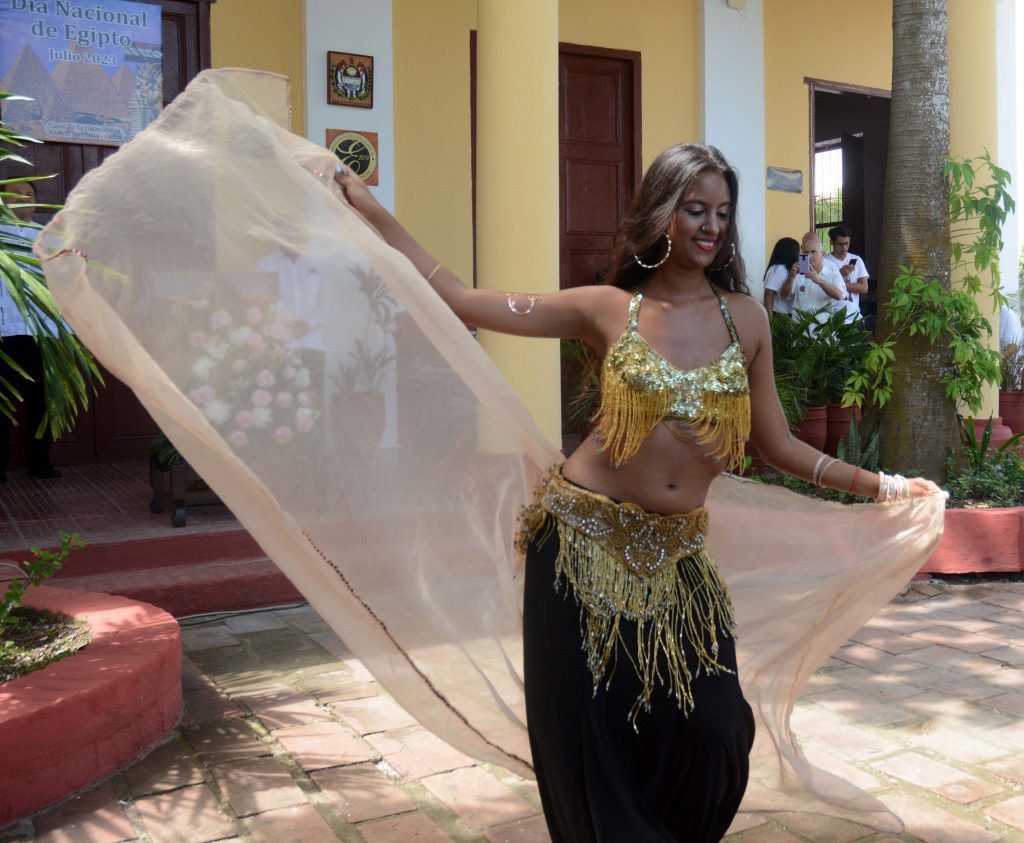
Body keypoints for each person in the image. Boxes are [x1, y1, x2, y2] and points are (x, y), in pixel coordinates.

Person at [333, 143, 940, 842]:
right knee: (595, 748)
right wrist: (374, 211)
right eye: (694, 209)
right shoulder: (606, 308)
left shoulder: (746, 318)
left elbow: (777, 445)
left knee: (716, 732)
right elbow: (465, 300)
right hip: (578, 550)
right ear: (661, 213)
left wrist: (883, 484)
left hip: (679, 563)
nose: (710, 226)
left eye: (721, 212)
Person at [0, 179, 60, 482]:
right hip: (3, 330)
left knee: (42, 399)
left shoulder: (47, 236)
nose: (23, 199)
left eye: (29, 195)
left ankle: (40, 462)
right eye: (15, 195)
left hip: (41, 332)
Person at [790, 231, 845, 319]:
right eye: (806, 252)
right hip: (800, 328)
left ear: (822, 254)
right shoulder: (798, 270)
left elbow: (839, 295)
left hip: (823, 329)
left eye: (813, 252)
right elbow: (785, 296)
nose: (809, 256)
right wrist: (791, 277)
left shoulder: (831, 269)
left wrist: (819, 280)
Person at [825, 224, 869, 323]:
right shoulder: (825, 261)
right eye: (840, 244)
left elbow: (864, 288)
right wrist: (840, 274)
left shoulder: (857, 260)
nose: (844, 248)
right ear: (832, 242)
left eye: (847, 243)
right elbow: (822, 286)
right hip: (832, 319)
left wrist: (841, 284)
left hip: (855, 318)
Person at [762, 236, 800, 315]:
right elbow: (769, 293)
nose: (799, 255)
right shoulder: (780, 269)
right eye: (798, 251)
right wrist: (770, 320)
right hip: (779, 314)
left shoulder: (780, 268)